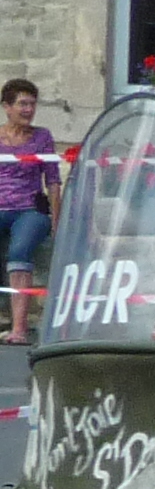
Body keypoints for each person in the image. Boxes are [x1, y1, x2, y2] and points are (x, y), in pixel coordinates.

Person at [1, 78, 57, 346]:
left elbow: (53, 181)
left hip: (30, 210)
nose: (28, 110)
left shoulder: (42, 137)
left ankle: (19, 329)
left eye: (32, 104)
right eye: (22, 104)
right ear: (7, 107)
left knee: (20, 250)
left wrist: (56, 220)